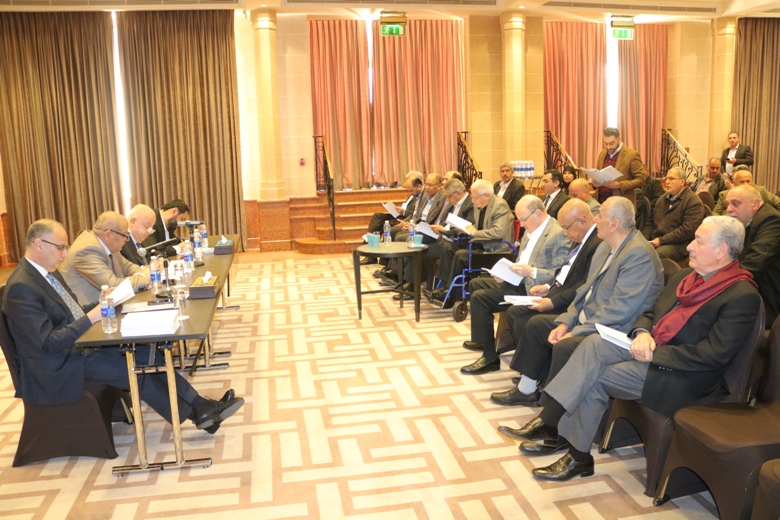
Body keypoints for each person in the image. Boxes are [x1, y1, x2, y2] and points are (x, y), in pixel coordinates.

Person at [509, 217, 760, 482]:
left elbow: (714, 355)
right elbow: (650, 313)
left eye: (698, 241)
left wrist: (654, 353)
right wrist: (642, 333)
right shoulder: (684, 277)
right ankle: (556, 426)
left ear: (721, 251)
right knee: (593, 344)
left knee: (595, 376)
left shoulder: (741, 295)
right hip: (650, 349)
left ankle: (575, 453)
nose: (689, 246)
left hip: (683, 376)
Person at [3, 220, 244, 434]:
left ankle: (201, 406)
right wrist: (92, 317)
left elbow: (70, 312)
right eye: (61, 247)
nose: (65, 254)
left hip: (75, 349)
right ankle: (198, 414)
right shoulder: (21, 287)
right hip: (56, 367)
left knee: (145, 353)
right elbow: (47, 343)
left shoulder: (48, 273)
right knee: (134, 370)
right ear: (39, 244)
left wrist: (103, 302)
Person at [493, 197, 663, 409]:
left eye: (599, 215)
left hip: (612, 329)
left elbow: (619, 310)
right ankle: (529, 389)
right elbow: (584, 291)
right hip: (587, 317)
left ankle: (551, 412)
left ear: (614, 224)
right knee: (537, 325)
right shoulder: (606, 247)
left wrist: (577, 330)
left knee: (564, 344)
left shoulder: (638, 253)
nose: (595, 219)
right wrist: (566, 322)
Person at [491, 199, 602, 405]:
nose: (565, 233)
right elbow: (564, 271)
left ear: (581, 220)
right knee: (516, 312)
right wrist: (547, 286)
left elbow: (583, 286)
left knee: (534, 323)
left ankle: (528, 388)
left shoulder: (596, 244)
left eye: (566, 228)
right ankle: (535, 374)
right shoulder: (581, 237)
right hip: (558, 293)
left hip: (571, 304)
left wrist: (552, 302)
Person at [460, 196, 570, 375]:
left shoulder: (557, 233)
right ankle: (483, 341)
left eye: (523, 219)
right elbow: (521, 261)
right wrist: (505, 274)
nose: (522, 225)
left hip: (535, 288)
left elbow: (560, 273)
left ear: (538, 213)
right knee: (475, 283)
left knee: (480, 298)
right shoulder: (531, 229)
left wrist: (532, 272)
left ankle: (489, 356)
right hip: (518, 281)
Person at [428, 179, 514, 306]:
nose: (472, 201)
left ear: (486, 195)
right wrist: (466, 228)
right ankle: (444, 287)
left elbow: (498, 233)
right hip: (480, 244)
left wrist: (474, 232)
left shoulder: (500, 206)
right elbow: (477, 226)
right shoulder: (480, 205)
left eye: (475, 198)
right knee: (450, 247)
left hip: (496, 250)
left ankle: (450, 293)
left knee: (461, 255)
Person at [394, 179, 474, 299]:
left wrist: (444, 230)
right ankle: (409, 284)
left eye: (449, 196)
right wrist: (437, 228)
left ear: (458, 192)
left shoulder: (470, 204)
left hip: (454, 242)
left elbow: (467, 229)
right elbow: (445, 221)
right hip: (442, 237)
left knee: (419, 251)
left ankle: (438, 288)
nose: (447, 200)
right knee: (414, 244)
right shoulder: (453, 203)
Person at [60, 212, 151, 306]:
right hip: (89, 310)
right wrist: (144, 278)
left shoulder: (108, 243)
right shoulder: (87, 250)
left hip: (108, 305)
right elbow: (113, 286)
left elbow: (128, 266)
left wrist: (141, 274)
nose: (127, 239)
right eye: (125, 235)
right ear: (108, 234)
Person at [724, 184, 780, 325]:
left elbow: (755, 263)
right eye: (727, 204)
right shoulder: (744, 221)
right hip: (748, 288)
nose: (729, 209)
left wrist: (719, 282)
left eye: (736, 203)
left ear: (755, 204)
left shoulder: (772, 220)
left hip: (767, 298)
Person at [361, 171, 424, 266]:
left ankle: (384, 260)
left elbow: (414, 213)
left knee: (386, 225)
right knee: (377, 216)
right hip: (401, 214)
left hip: (405, 217)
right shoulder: (412, 194)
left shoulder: (418, 194)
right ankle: (369, 244)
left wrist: (403, 212)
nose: (409, 191)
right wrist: (400, 209)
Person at [648, 167, 706, 260]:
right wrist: (643, 239)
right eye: (666, 178)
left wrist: (661, 241)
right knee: (637, 250)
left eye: (671, 179)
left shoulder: (693, 201)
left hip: (680, 243)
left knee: (653, 256)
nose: (667, 182)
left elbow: (686, 230)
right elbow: (650, 222)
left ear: (682, 182)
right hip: (658, 239)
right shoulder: (662, 199)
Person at [592, 127, 648, 208]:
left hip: (621, 205)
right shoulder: (602, 153)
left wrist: (619, 185)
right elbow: (599, 174)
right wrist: (596, 183)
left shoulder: (631, 155)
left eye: (611, 143)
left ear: (619, 139)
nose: (608, 147)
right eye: (605, 143)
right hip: (601, 202)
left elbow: (641, 180)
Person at [713, 169, 780, 215]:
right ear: (735, 183)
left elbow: (778, 203)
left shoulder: (760, 191)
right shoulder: (724, 195)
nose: (746, 184)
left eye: (748, 181)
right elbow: (715, 213)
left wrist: (773, 219)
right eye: (742, 182)